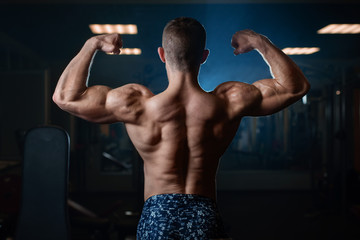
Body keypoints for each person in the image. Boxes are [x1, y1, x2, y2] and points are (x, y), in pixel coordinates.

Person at [53, 17, 310, 239]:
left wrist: (92, 45)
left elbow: (66, 97)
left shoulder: (136, 104)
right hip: (204, 212)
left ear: (162, 55)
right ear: (204, 56)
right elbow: (295, 87)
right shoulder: (228, 101)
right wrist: (259, 41)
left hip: (157, 215)